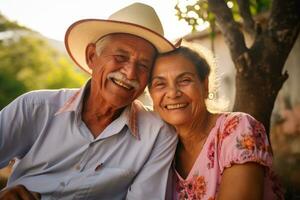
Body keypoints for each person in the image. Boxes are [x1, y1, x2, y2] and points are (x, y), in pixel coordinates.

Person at [0, 3, 178, 199]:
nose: (130, 73)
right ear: (92, 56)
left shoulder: (158, 134)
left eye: (144, 65)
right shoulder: (35, 108)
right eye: (120, 57)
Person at [148, 45, 284, 199]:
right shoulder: (159, 147)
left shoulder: (237, 128)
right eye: (160, 84)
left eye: (185, 80)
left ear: (205, 85)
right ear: (151, 94)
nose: (173, 93)